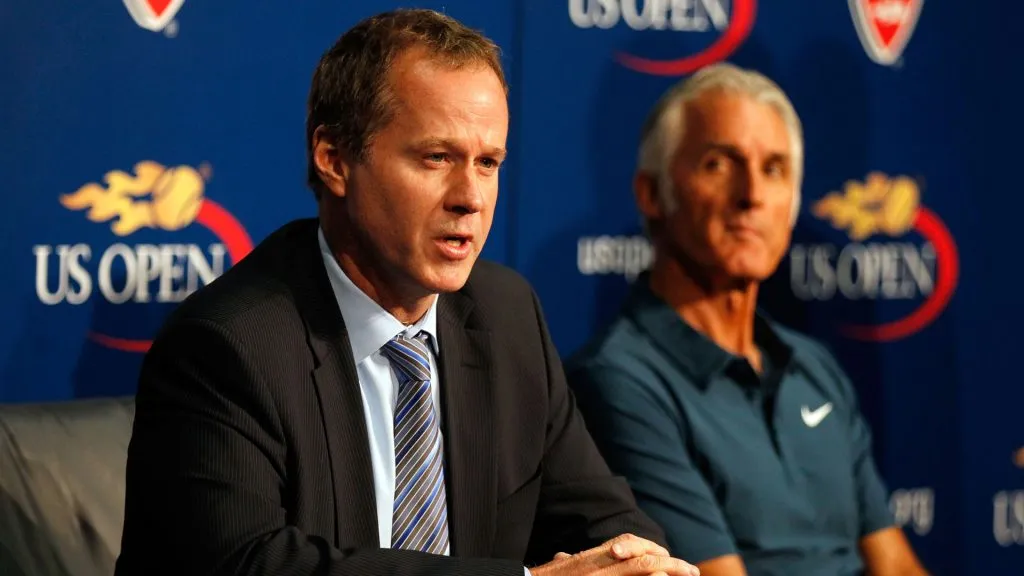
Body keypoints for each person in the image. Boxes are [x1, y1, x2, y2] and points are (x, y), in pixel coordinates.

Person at [113, 9, 701, 576]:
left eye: (489, 162)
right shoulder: (229, 346)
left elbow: (606, 521)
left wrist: (639, 567)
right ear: (335, 160)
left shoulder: (506, 315)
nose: (470, 196)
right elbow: (245, 565)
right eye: (437, 157)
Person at [565, 63, 930, 576]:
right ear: (652, 194)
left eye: (775, 169)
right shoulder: (616, 382)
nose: (752, 195)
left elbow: (895, 565)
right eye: (719, 163)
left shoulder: (814, 366)